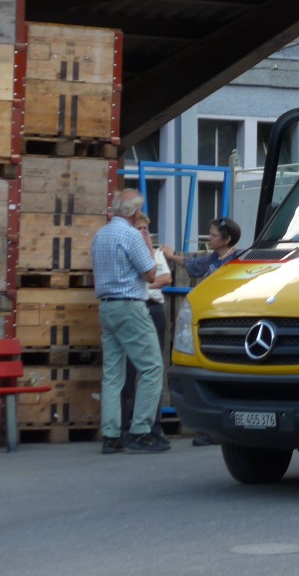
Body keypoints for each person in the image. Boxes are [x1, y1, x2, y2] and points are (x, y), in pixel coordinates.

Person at [91, 189, 170, 454]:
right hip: (130, 306)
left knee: (113, 374)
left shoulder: (100, 235)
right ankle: (141, 430)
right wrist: (148, 245)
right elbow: (150, 274)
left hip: (107, 306)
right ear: (135, 213)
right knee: (152, 368)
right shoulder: (132, 235)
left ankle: (111, 435)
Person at [163, 216, 242, 446]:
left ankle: (227, 428)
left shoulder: (238, 260)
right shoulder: (213, 259)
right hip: (213, 326)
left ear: (226, 239)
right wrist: (171, 256)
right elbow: (194, 265)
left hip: (234, 325)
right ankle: (211, 428)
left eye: (213, 235)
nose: (209, 238)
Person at [119, 213, 172, 442]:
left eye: (145, 229)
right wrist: (150, 279)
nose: (142, 233)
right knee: (128, 370)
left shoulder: (156, 253)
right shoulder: (126, 250)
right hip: (134, 307)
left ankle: (153, 425)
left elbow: (166, 278)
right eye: (138, 228)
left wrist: (145, 279)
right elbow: (152, 278)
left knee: (154, 368)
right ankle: (125, 425)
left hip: (153, 309)